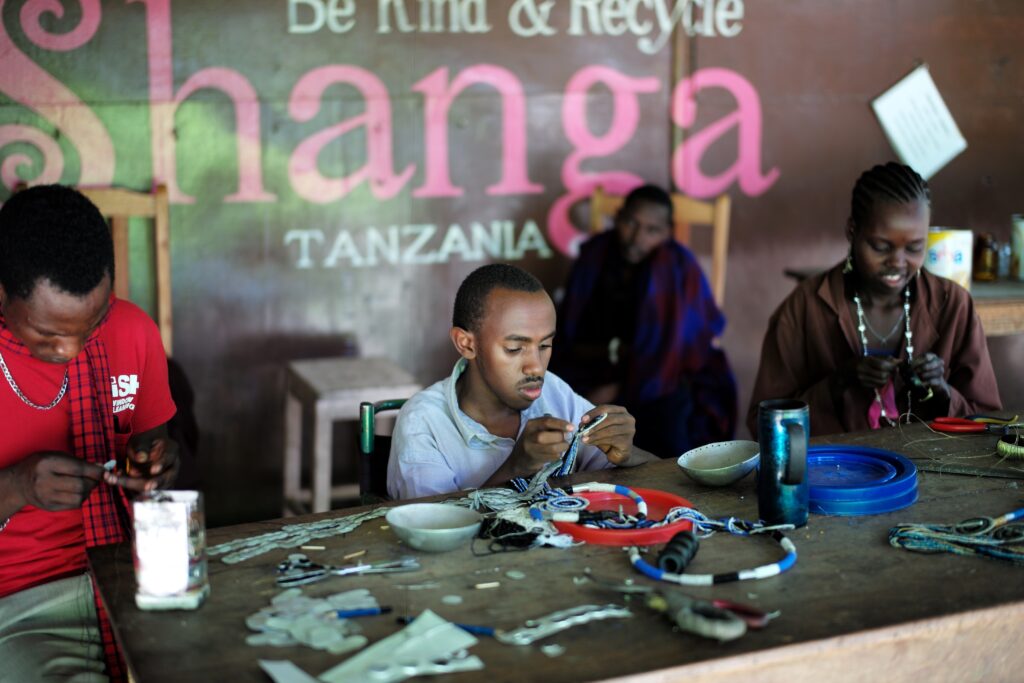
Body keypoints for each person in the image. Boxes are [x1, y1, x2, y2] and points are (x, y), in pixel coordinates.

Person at [0, 185, 179, 682]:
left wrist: (154, 465)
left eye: (91, 323)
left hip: (132, 577)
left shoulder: (132, 330)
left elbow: (153, 447)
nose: (71, 349)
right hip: (21, 603)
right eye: (48, 334)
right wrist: (17, 486)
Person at [747, 162, 1001, 437]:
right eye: (881, 247)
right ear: (852, 231)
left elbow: (986, 423)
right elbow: (766, 428)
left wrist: (941, 389)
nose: (897, 262)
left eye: (915, 247)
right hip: (835, 472)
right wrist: (839, 381)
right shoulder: (803, 309)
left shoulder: (954, 305)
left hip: (936, 472)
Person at [387, 263, 654, 500]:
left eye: (546, 345)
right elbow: (431, 529)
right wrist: (515, 468)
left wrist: (627, 453)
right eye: (515, 349)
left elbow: (653, 480)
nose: (536, 366)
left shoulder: (554, 393)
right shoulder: (424, 423)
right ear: (466, 344)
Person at [549, 184, 737, 459]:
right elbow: (569, 332)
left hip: (664, 375)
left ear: (668, 232)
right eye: (630, 223)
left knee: (668, 416)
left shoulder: (674, 268)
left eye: (652, 230)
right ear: (618, 217)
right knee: (556, 405)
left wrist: (617, 391)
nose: (636, 238)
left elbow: (673, 353)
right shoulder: (596, 254)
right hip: (595, 365)